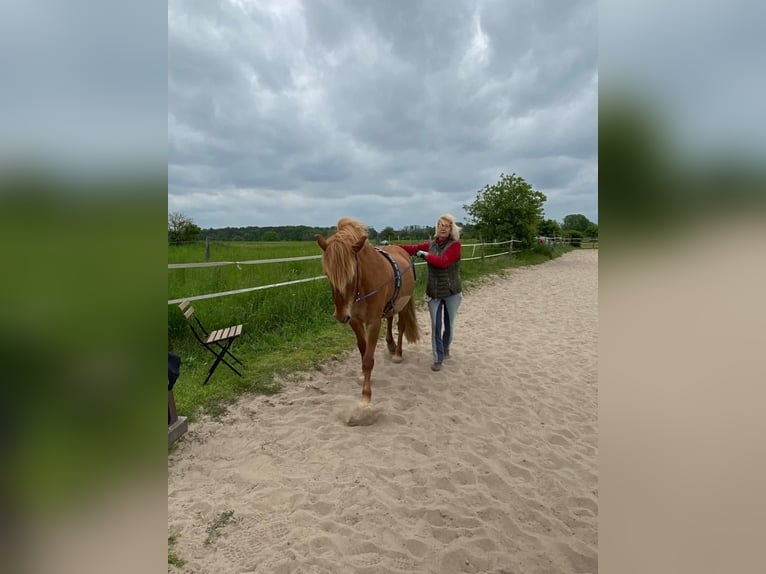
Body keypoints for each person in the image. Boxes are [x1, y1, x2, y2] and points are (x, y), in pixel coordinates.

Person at [397, 214, 462, 371]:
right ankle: (437, 358)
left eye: (446, 225)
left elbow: (443, 262)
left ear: (451, 229)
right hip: (433, 292)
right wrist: (391, 246)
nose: (443, 228)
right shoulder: (431, 244)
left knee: (449, 324)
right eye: (440, 225)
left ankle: (445, 348)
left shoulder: (455, 246)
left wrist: (425, 255)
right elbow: (412, 249)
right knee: (435, 325)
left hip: (451, 291)